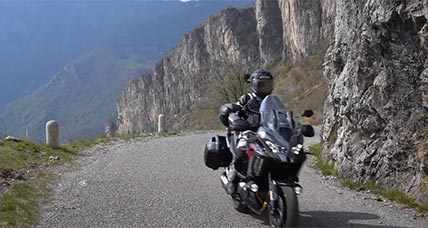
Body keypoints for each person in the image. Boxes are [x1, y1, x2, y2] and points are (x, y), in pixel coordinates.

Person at [218, 69, 274, 181]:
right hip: (245, 131)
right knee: (240, 154)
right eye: (262, 84)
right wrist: (234, 117)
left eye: (268, 84)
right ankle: (232, 173)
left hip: (265, 132)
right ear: (254, 84)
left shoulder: (272, 101)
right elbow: (234, 110)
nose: (265, 87)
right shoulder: (247, 98)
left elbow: (279, 114)